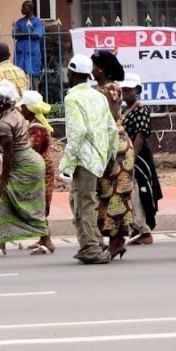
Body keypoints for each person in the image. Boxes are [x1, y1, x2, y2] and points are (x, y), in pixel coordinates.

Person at [0, 80, 55, 256]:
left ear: (2, 102)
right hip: (31, 162)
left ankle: (2, 245)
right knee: (31, 205)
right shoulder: (16, 115)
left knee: (4, 201)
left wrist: (5, 181)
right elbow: (13, 145)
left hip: (24, 165)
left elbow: (8, 154)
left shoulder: (5, 124)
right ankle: (43, 241)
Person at [61, 54, 117, 264]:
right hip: (98, 159)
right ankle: (95, 242)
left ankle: (91, 248)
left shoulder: (72, 98)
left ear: (72, 73)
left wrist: (67, 162)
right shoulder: (98, 97)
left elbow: (77, 132)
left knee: (83, 203)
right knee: (83, 201)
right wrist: (109, 157)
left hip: (83, 159)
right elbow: (112, 130)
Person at [91, 50, 135, 260]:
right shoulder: (105, 88)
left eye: (93, 66)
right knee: (109, 191)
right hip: (114, 142)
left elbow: (106, 119)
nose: (91, 70)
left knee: (116, 193)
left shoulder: (108, 90)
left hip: (114, 143)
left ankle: (117, 241)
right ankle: (115, 240)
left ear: (100, 69)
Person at [121, 73, 162, 245]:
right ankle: (136, 229)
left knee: (139, 192)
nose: (126, 93)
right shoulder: (126, 110)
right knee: (130, 193)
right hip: (128, 155)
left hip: (138, 157)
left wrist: (131, 159)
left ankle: (144, 230)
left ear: (137, 90)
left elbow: (140, 136)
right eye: (124, 90)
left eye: (130, 90)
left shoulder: (141, 110)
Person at [19, 90, 56, 220]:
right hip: (41, 166)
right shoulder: (34, 124)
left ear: (28, 109)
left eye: (22, 107)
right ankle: (44, 237)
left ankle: (45, 238)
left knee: (41, 200)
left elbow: (34, 150)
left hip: (42, 168)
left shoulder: (37, 128)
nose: (21, 110)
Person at [12, 1, 45, 88]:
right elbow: (14, 34)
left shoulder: (37, 22)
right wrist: (28, 33)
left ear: (30, 9)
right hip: (20, 55)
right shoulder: (19, 22)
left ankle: (35, 100)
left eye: (24, 7)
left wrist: (22, 34)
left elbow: (36, 35)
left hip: (32, 55)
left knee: (33, 78)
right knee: (19, 79)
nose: (21, 9)